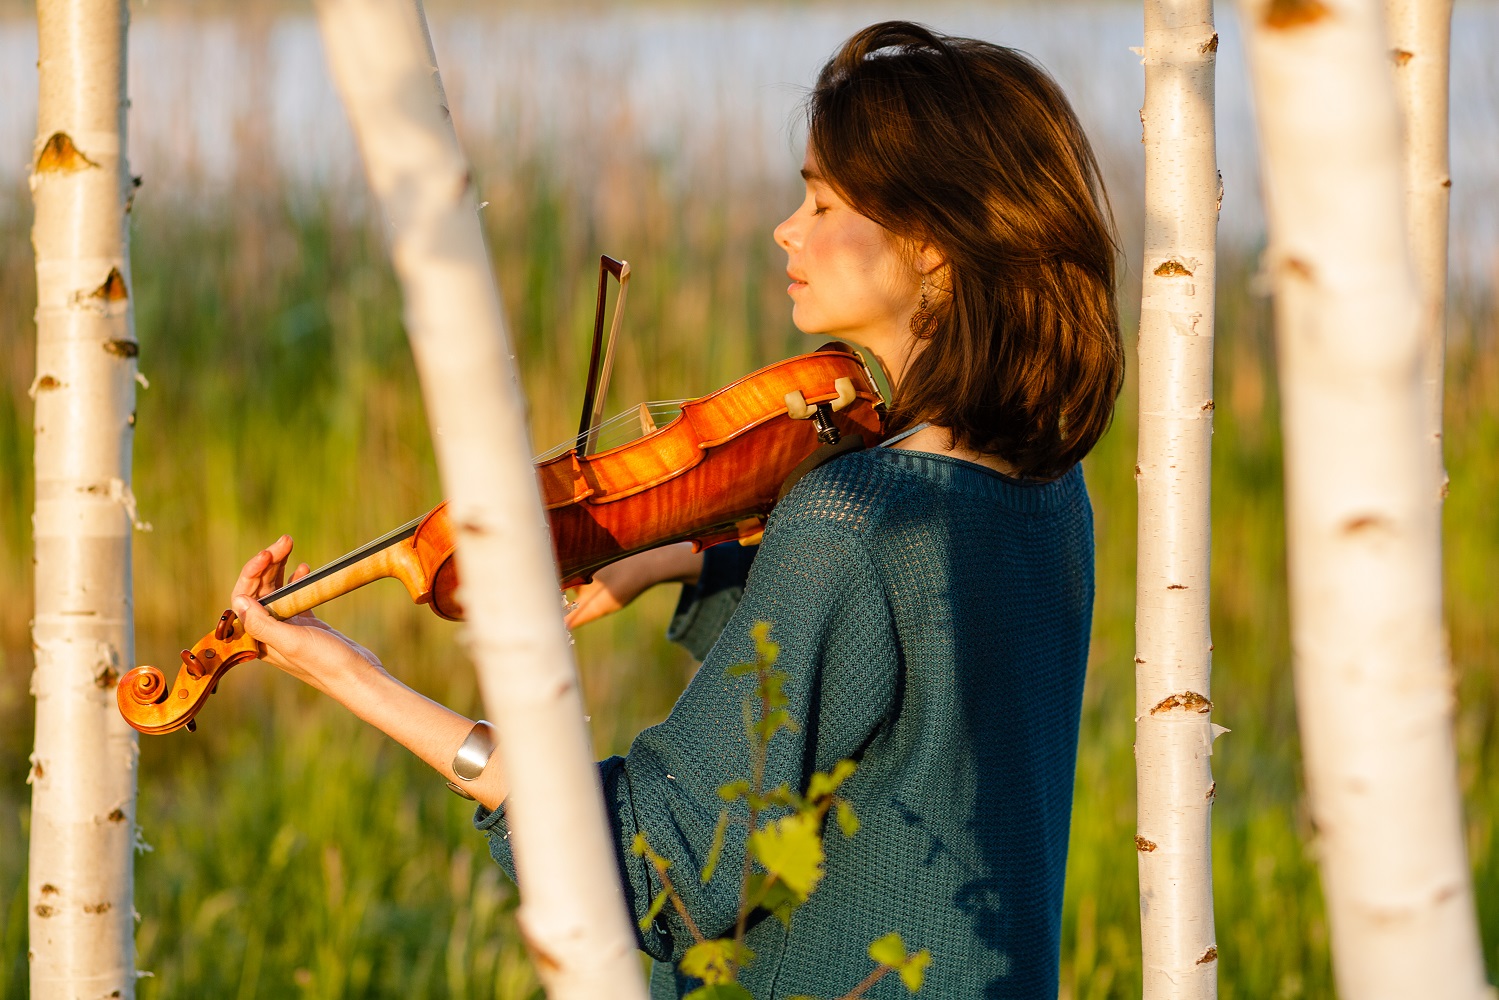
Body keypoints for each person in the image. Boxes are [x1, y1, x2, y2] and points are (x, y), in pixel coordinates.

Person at [229, 21, 1122, 999]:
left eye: (822, 202)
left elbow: (652, 865)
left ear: (934, 251)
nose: (787, 227)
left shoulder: (853, 514)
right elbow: (908, 685)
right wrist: (684, 558)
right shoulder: (1042, 490)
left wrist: (351, 673)